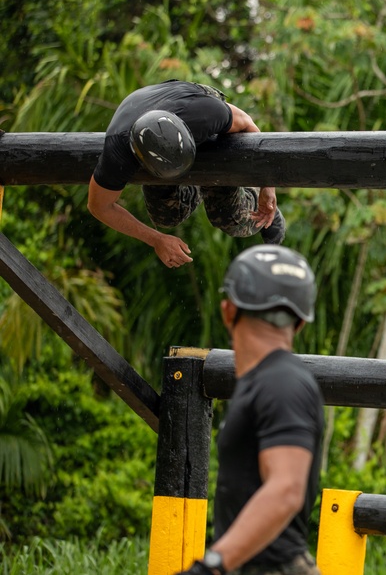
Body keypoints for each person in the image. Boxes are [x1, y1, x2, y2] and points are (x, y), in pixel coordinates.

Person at [177, 244, 323, 575]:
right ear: (300, 322)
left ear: (228, 311)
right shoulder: (268, 381)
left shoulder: (282, 381)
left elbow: (286, 490)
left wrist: (212, 564)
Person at [88, 80, 285, 269]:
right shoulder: (118, 151)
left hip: (192, 108)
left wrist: (267, 186)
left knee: (227, 217)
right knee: (165, 216)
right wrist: (156, 239)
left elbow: (249, 125)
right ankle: (196, 185)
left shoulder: (207, 114)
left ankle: (260, 206)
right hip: (143, 115)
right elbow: (99, 205)